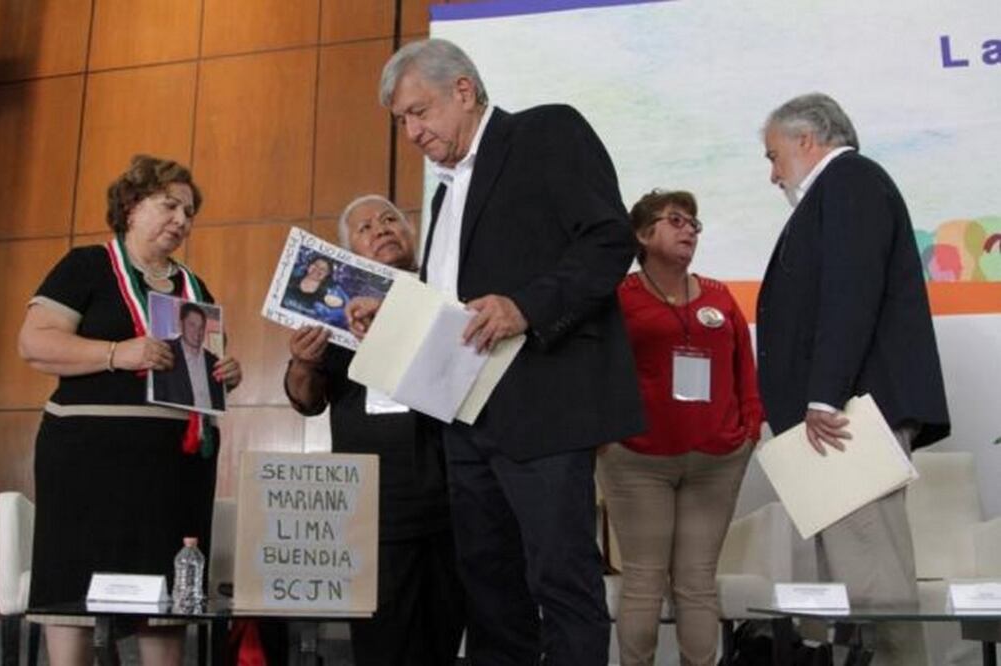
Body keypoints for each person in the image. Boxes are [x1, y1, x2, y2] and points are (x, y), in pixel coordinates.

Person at [366, 39, 645, 666]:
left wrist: (525, 306)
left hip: (542, 408)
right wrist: (386, 320)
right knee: (490, 595)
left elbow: (608, 240)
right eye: (402, 121)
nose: (411, 133)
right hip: (463, 420)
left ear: (463, 90)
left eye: (418, 112)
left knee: (562, 585)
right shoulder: (442, 194)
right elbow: (450, 308)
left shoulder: (547, 131)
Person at [17, 155, 242, 666]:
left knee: (166, 596)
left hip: (174, 471)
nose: (182, 220)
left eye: (189, 212)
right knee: (72, 589)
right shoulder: (86, 265)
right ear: (131, 205)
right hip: (86, 465)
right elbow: (34, 343)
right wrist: (118, 353)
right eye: (170, 205)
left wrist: (224, 371)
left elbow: (198, 368)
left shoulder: (194, 287)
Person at [758, 93, 950, 665]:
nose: (772, 175)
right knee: (847, 593)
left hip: (846, 419)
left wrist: (822, 395)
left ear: (807, 141)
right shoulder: (835, 192)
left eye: (773, 157)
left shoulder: (850, 180)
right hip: (835, 421)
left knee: (873, 585)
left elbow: (851, 293)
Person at [284, 195, 465, 666]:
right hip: (373, 501)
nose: (382, 229)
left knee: (445, 634)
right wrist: (304, 360)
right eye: (365, 227)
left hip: (451, 491)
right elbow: (307, 400)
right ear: (348, 252)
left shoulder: (445, 290)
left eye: (391, 220)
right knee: (382, 642)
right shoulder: (332, 310)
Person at [597, 190, 762, 666]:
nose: (689, 229)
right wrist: (605, 434)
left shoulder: (718, 294)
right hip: (637, 459)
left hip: (717, 457)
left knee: (696, 581)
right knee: (645, 580)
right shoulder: (618, 296)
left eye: (694, 223)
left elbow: (742, 365)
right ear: (643, 235)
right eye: (676, 220)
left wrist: (751, 424)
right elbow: (599, 370)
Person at [152, 301, 226, 411]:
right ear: (181, 325)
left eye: (201, 327)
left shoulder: (214, 361)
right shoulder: (164, 351)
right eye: (192, 325)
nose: (197, 332)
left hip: (207, 425)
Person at [281, 255, 349, 328]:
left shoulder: (329, 297)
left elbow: (344, 314)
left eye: (323, 269)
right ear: (309, 266)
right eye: (316, 265)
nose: (318, 269)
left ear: (327, 274)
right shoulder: (289, 280)